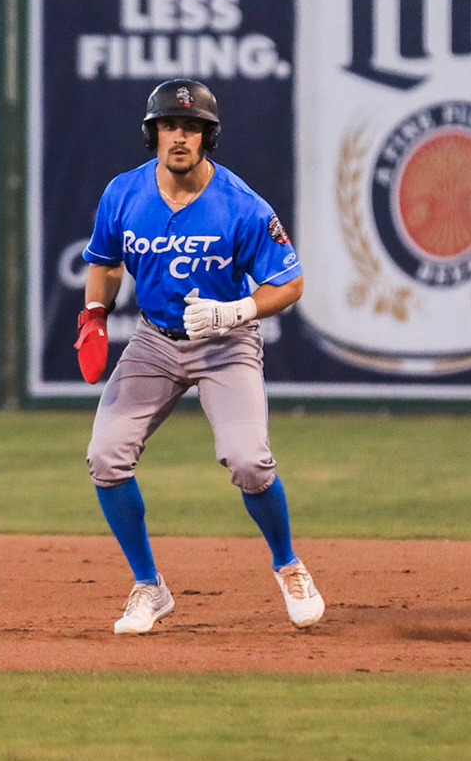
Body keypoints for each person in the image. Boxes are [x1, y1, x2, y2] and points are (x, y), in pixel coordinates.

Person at [74, 79, 324, 635]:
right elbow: (107, 261)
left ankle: (289, 565)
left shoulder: (241, 204)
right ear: (153, 134)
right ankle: (149, 587)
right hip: (155, 340)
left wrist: (234, 312)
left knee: (248, 460)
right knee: (105, 455)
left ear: (208, 136)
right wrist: (94, 312)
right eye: (169, 126)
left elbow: (290, 284)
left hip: (226, 346)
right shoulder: (124, 193)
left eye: (191, 127)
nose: (179, 136)